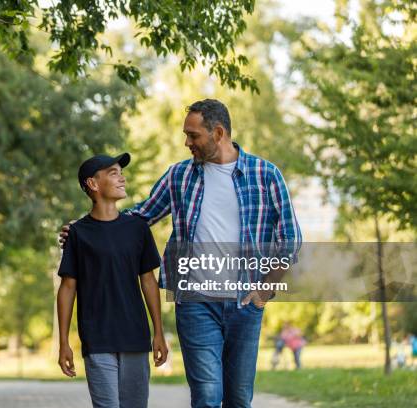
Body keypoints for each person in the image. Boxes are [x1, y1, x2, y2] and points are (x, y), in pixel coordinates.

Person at [60, 99, 301, 407]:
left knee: (239, 397)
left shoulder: (265, 174)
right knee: (207, 396)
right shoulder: (180, 176)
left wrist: (263, 292)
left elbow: (290, 239)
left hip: (245, 302)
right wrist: (83, 230)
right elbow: (139, 216)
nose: (187, 142)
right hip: (195, 302)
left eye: (193, 135)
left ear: (217, 133)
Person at [56, 153, 168, 408]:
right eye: (113, 173)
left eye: (121, 172)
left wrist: (158, 332)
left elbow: (148, 281)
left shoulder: (138, 229)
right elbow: (67, 288)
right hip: (97, 338)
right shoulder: (78, 233)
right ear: (93, 185)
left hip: (135, 336)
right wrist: (63, 343)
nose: (122, 178)